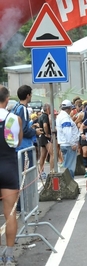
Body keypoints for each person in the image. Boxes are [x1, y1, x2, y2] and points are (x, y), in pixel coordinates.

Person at [0, 85, 22, 265]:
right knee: (10, 214)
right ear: (7, 100)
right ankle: (9, 256)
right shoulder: (13, 118)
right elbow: (17, 142)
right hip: (8, 166)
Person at [56, 100, 79, 179]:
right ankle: (69, 182)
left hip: (65, 143)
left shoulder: (61, 116)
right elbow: (67, 132)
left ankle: (67, 182)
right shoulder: (65, 117)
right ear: (69, 108)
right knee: (70, 167)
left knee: (67, 165)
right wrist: (72, 143)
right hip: (68, 144)